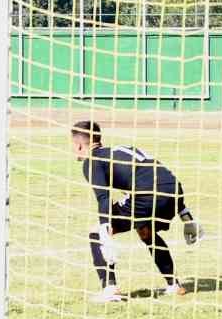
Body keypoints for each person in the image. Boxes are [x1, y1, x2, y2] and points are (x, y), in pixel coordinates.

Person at [71, 120, 204, 302]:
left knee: (95, 232)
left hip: (147, 195)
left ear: (78, 145)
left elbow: (103, 198)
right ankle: (174, 285)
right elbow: (159, 178)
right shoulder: (121, 151)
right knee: (145, 229)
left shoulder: (92, 161)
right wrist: (186, 216)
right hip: (174, 191)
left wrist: (105, 230)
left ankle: (110, 289)